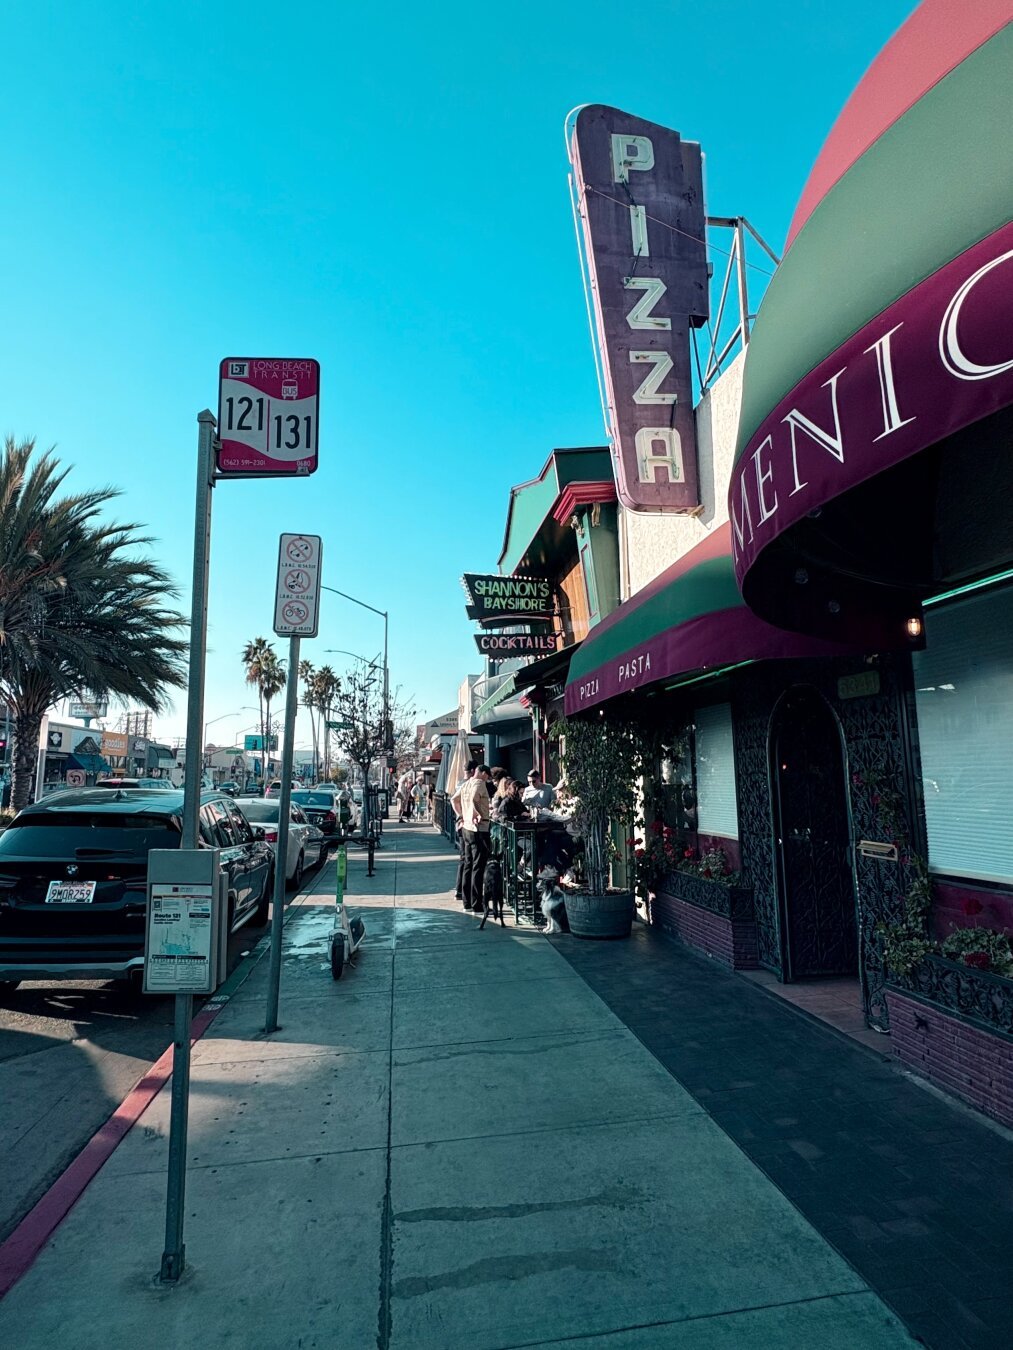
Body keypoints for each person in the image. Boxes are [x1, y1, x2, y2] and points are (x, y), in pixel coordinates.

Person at [458, 763, 492, 913]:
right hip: (479, 827)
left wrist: (462, 815)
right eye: (487, 775)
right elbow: (474, 799)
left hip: (466, 827)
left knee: (468, 864)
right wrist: (477, 814)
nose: (488, 778)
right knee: (478, 865)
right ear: (483, 773)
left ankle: (467, 902)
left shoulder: (467, 783)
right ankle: (477, 903)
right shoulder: (479, 783)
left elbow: (454, 799)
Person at [450, 763, 476, 904]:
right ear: (473, 771)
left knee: (464, 859)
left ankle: (460, 890)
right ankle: (462, 891)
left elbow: (453, 800)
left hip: (461, 824)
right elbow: (454, 800)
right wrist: (462, 815)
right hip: (466, 825)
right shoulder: (467, 784)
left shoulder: (460, 783)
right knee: (467, 859)